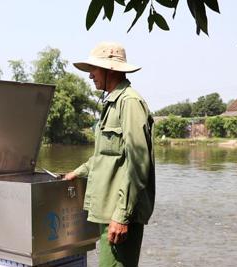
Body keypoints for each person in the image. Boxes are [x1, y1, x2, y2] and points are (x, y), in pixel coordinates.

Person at [64, 42, 155, 267]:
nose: (90, 76)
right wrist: (77, 172)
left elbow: (138, 162)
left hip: (119, 213)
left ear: (110, 70)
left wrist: (122, 216)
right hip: (109, 211)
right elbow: (106, 155)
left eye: (94, 70)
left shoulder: (129, 102)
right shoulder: (112, 103)